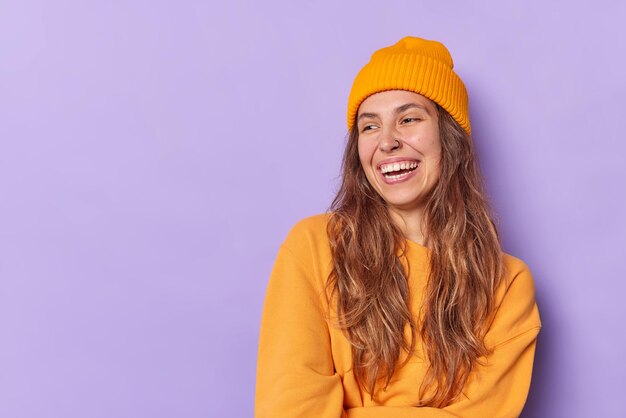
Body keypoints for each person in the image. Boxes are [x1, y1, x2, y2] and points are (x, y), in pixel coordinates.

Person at [254, 36, 541, 418]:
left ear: (449, 138)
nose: (387, 142)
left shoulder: (507, 284)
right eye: (369, 127)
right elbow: (289, 410)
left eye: (408, 119)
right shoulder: (314, 246)